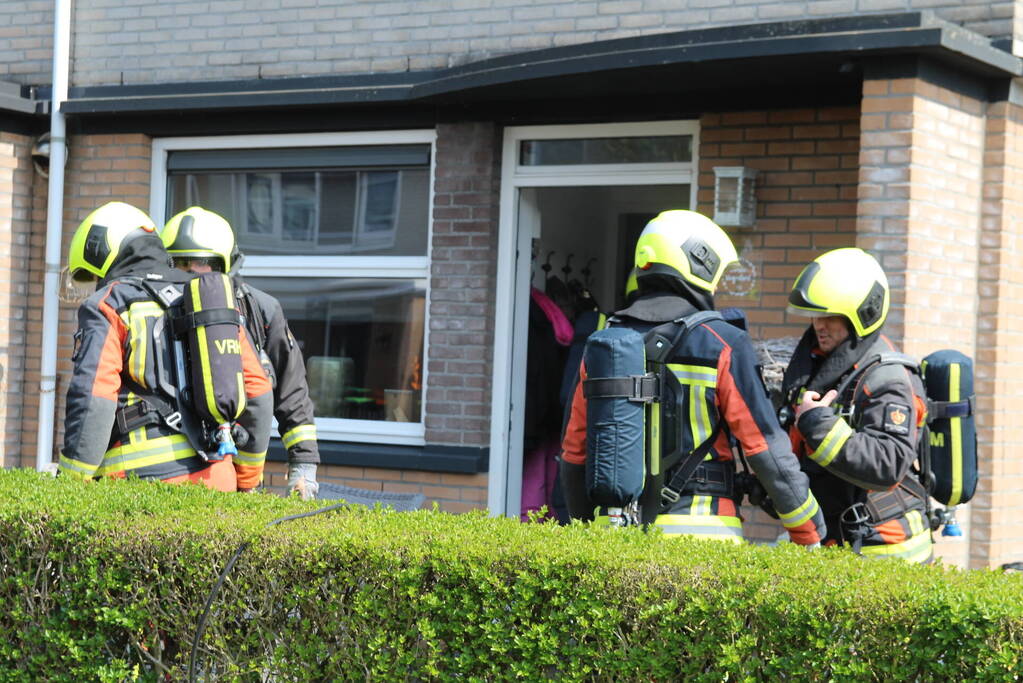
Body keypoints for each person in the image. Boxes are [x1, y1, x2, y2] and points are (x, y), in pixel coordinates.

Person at [560, 210, 826, 545]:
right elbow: (764, 449)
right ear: (701, 263)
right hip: (701, 536)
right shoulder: (723, 341)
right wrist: (810, 532)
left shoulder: (604, 343)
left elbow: (574, 452)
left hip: (613, 536)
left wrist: (585, 534)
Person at [59, 201, 273, 491]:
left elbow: (93, 397)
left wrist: (70, 481)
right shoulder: (207, 298)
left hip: (139, 488)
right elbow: (257, 391)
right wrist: (246, 482)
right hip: (218, 482)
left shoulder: (110, 304)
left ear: (104, 253)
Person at [781, 247, 933, 563]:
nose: (818, 325)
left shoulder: (887, 378)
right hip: (840, 537)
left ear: (862, 314)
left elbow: (888, 463)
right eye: (815, 315)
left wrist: (817, 424)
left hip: (886, 546)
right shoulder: (823, 367)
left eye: (829, 316)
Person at [160, 206, 321, 499]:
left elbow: (291, 392)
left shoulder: (260, 310)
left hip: (238, 465)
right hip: (173, 467)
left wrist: (303, 467)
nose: (190, 275)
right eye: (178, 264)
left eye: (201, 264)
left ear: (228, 265)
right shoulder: (153, 313)